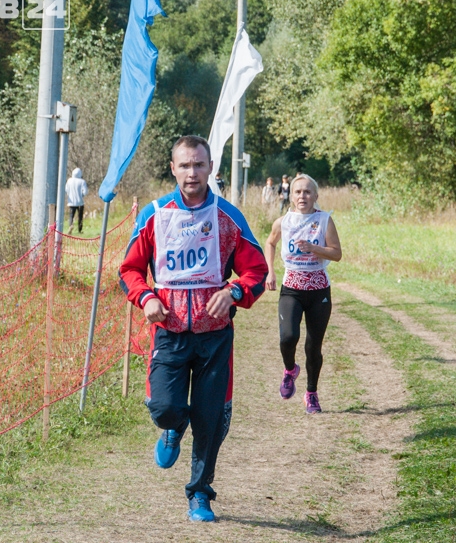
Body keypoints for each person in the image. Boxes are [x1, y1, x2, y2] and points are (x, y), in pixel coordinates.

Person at [120, 135, 268, 522]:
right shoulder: (154, 214)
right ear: (173, 168)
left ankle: (200, 493)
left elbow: (257, 271)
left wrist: (233, 291)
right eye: (185, 165)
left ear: (210, 168)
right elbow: (129, 270)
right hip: (169, 330)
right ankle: (173, 427)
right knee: (165, 408)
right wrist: (146, 298)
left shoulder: (228, 217)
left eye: (199, 165)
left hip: (214, 335)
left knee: (211, 418)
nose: (192, 172)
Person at [264, 174, 342, 414]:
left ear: (315, 196)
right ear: (291, 196)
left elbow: (337, 253)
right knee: (288, 337)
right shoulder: (283, 222)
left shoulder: (324, 220)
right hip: (292, 288)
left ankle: (311, 393)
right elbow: (270, 243)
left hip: (319, 290)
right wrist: (270, 272)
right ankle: (290, 370)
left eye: (307, 192)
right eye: (298, 192)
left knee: (313, 346)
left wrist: (314, 248)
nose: (302, 196)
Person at [65, 167, 88, 234]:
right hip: (80, 202)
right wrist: (82, 195)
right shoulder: (82, 181)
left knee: (71, 215)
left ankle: (71, 225)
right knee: (80, 216)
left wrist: (69, 195)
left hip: (71, 202)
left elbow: (66, 190)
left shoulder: (69, 181)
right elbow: (85, 192)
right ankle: (80, 230)